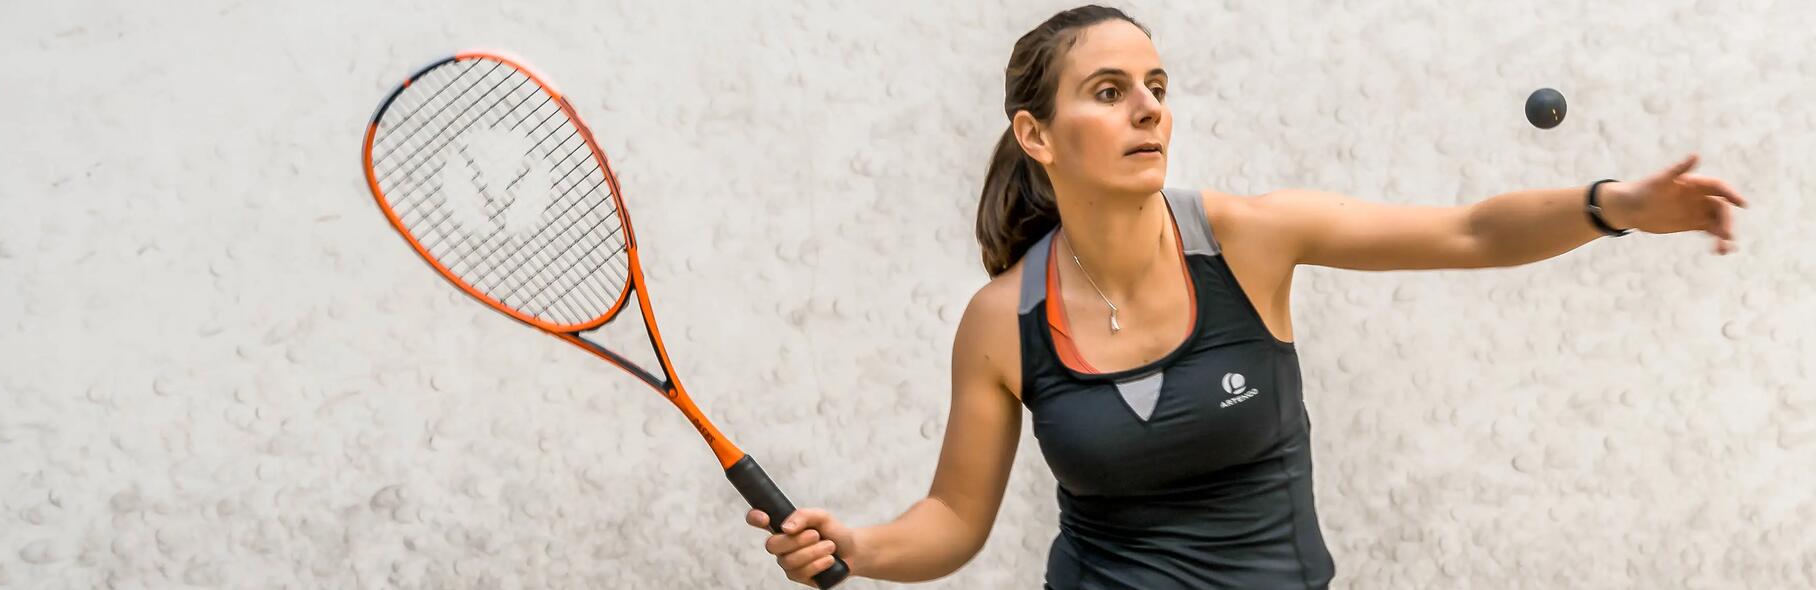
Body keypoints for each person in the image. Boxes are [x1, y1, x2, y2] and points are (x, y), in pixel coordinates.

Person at [746, 5, 1749, 588]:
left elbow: (1467, 231)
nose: (1149, 107)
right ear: (1037, 136)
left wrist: (1613, 204)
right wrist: (859, 542)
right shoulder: (1001, 319)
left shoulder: (1245, 240)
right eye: (1108, 90)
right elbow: (955, 518)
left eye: (1157, 82)